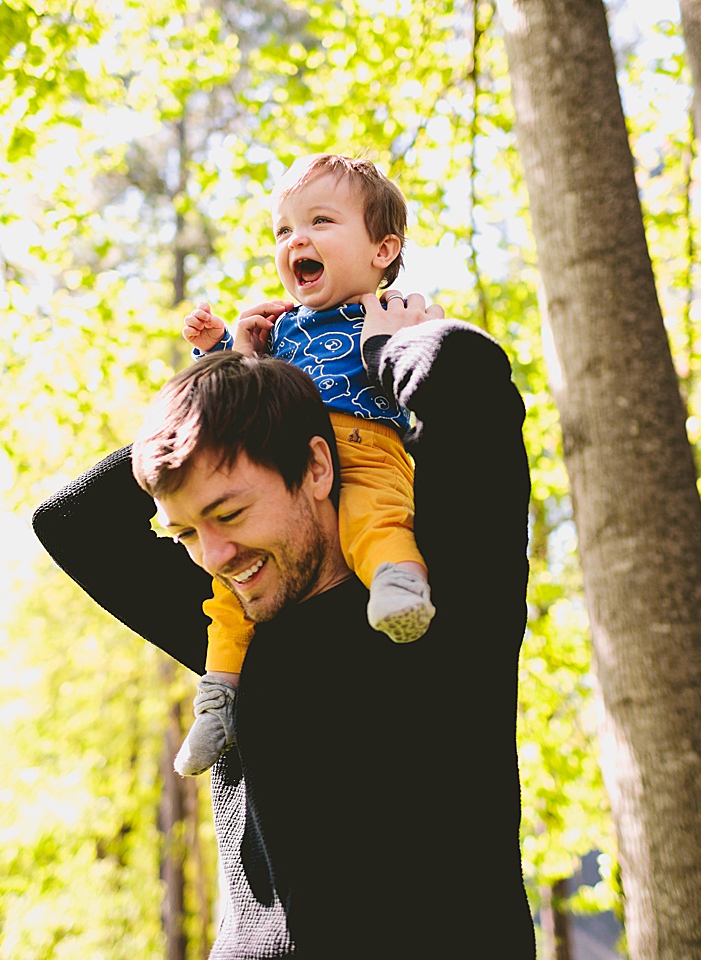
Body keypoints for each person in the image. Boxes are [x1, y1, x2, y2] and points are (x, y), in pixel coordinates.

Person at [32, 294, 536, 958]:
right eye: (184, 531)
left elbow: (465, 374)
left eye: (230, 512)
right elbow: (71, 520)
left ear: (318, 467)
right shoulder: (238, 626)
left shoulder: (441, 588)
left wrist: (376, 351)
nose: (214, 556)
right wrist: (234, 380)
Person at [174, 153, 435, 775]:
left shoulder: (395, 315)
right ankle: (218, 698)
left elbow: (439, 390)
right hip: (287, 469)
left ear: (382, 249)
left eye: (321, 221)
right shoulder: (282, 328)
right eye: (284, 231)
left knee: (375, 521)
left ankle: (398, 585)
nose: (298, 241)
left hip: (368, 452)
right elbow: (237, 408)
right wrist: (229, 351)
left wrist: (395, 341)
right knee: (227, 586)